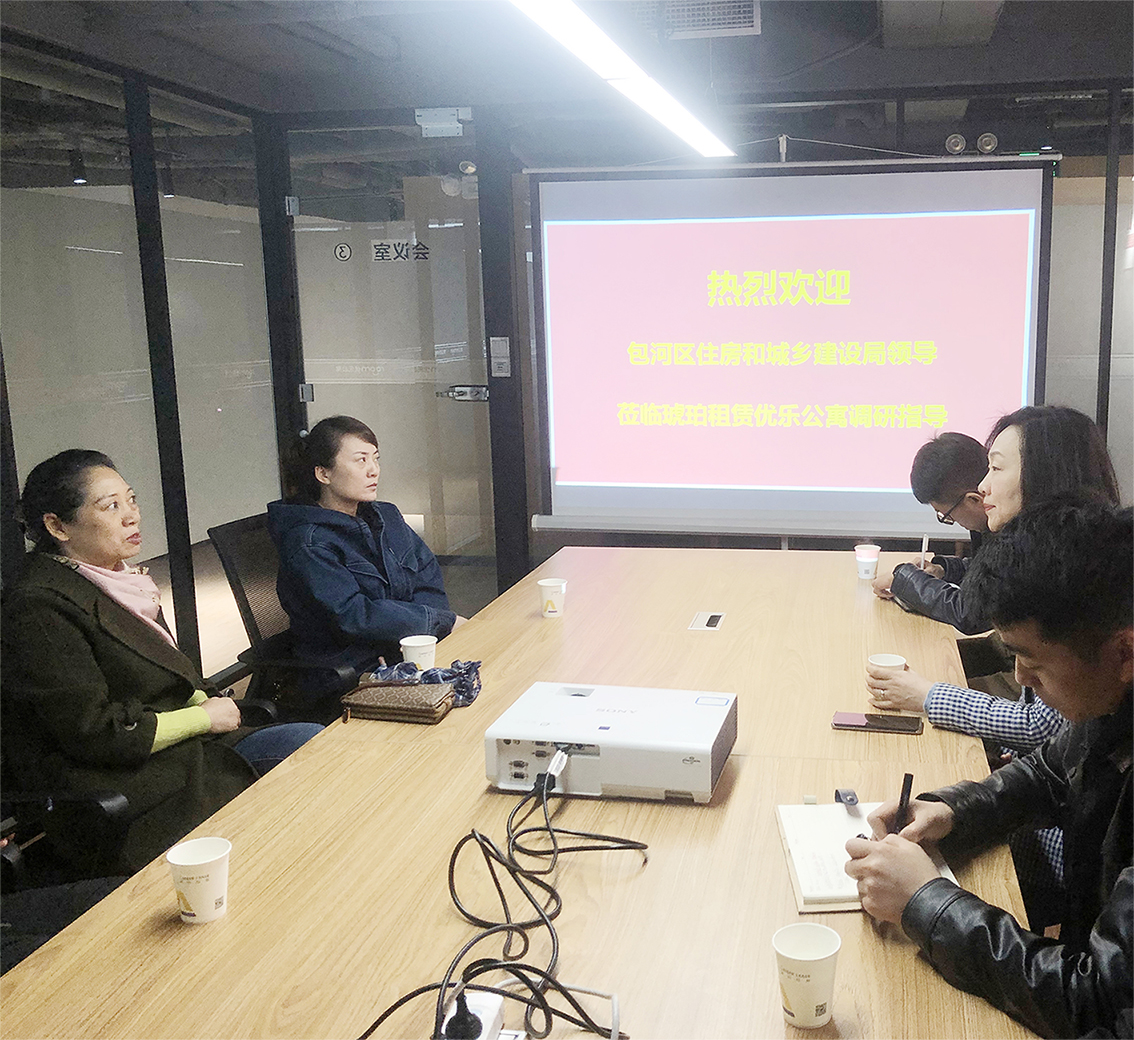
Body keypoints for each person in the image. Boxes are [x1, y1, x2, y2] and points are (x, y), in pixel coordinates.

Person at [845, 499, 1132, 1039]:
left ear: (1124, 652)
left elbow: (1097, 1003)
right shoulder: (1112, 696)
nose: (1021, 678)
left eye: (1034, 661)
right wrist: (952, 811)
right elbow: (1051, 772)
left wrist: (927, 903)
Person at [1, 450, 323, 875]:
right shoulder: (38, 607)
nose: (131, 516)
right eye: (110, 506)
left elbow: (164, 676)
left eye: (131, 500)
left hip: (185, 755)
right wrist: (203, 718)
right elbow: (96, 732)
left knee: (319, 749)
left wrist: (201, 700)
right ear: (57, 526)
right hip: (130, 785)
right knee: (305, 770)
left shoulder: (117, 581)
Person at [866, 405, 1120, 747]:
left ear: (1043, 476)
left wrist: (928, 695)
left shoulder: (1072, 567)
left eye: (996, 468)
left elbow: (1040, 727)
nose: (983, 487)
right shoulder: (1045, 548)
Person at [268, 416, 467, 689]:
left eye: (376, 459)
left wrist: (426, 633)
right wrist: (435, 622)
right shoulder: (309, 543)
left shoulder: (387, 516)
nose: (373, 470)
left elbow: (425, 574)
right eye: (361, 460)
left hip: (407, 651)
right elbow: (354, 614)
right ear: (323, 474)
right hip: (349, 672)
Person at [871, 431, 991, 634]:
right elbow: (987, 572)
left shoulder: (1019, 531)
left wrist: (902, 580)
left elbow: (971, 612)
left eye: (947, 515)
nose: (953, 521)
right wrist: (943, 570)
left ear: (973, 500)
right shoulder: (992, 522)